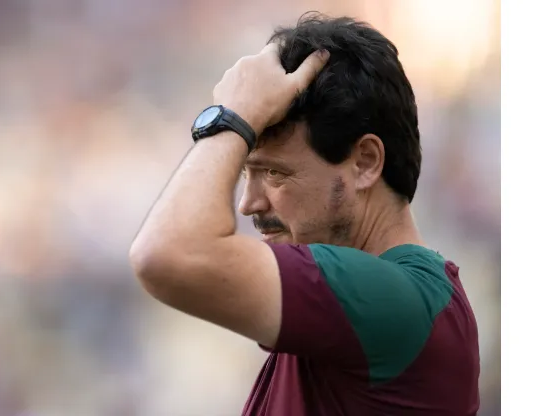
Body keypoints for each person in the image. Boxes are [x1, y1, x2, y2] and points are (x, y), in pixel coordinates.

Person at [129, 12, 480, 416]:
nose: (248, 203)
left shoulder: (393, 300)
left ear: (365, 162)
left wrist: (233, 116)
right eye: (248, 171)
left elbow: (166, 255)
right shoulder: (367, 306)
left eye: (275, 173)